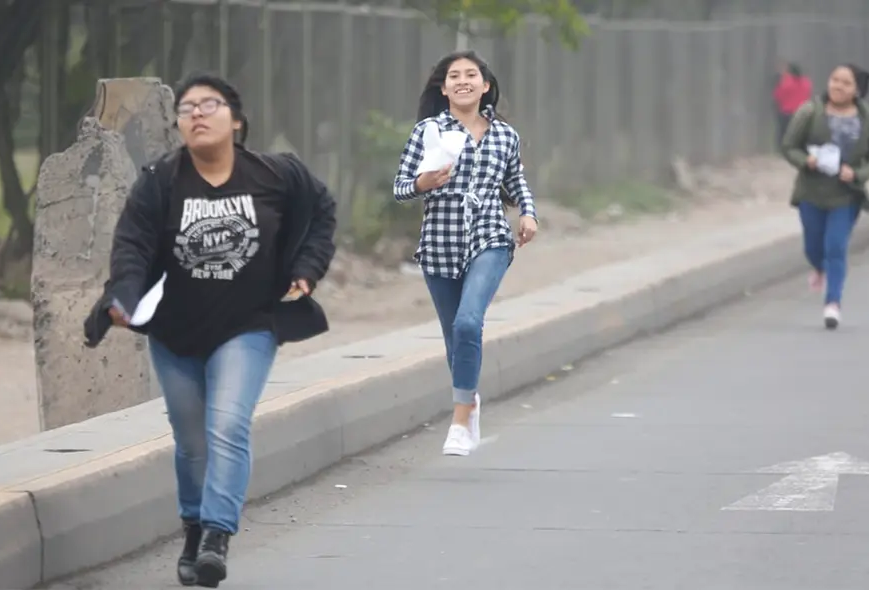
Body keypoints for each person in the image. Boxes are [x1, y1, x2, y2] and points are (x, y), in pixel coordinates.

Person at [83, 73, 337, 587]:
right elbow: (131, 246)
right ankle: (194, 526)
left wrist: (306, 270)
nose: (196, 113)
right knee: (191, 441)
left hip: (248, 326)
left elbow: (323, 213)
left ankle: (217, 536)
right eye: (186, 108)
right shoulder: (160, 181)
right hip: (176, 332)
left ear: (236, 120)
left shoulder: (275, 175)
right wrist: (123, 298)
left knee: (227, 426)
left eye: (209, 104)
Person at [393, 50, 538, 457]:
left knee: (469, 322)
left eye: (471, 74)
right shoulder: (427, 132)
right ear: (444, 88)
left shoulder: (505, 135)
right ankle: (470, 399)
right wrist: (424, 183)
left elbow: (517, 181)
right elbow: (400, 187)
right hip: (439, 242)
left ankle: (459, 420)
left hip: (489, 235)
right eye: (453, 76)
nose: (463, 81)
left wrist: (528, 214)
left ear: (485, 85)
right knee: (454, 336)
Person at [780, 63, 869, 330]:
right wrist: (807, 161)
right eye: (834, 79)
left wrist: (857, 174)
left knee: (835, 247)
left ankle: (833, 303)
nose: (838, 86)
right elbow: (789, 146)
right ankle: (819, 268)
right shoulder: (810, 111)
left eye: (846, 83)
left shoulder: (868, 119)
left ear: (857, 90)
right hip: (812, 193)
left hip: (845, 196)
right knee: (814, 248)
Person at [773, 62, 812, 143]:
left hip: (787, 112)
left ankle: (783, 148)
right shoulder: (806, 83)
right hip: (802, 112)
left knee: (784, 132)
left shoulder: (786, 83)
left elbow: (777, 95)